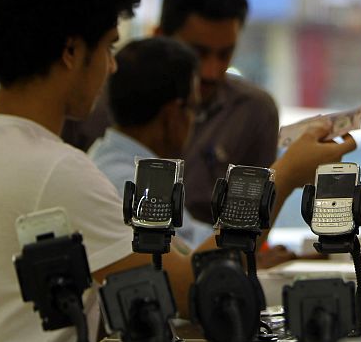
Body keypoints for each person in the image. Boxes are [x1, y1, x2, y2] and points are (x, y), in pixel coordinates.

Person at [0, 0, 353, 342]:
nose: (113, 67)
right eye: (110, 46)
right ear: (72, 51)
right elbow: (196, 288)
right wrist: (283, 176)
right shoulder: (58, 172)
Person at [63, 0, 280, 226]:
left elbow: (250, 226)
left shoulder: (253, 112)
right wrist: (288, 172)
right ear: (159, 38)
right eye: (197, 53)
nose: (210, 72)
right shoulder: (90, 102)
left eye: (225, 54)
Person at [88, 37, 295, 264]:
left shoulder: (113, 164)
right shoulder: (133, 183)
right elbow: (190, 263)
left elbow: (191, 235)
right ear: (173, 115)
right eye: (194, 108)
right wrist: (288, 173)